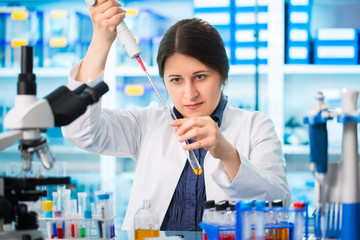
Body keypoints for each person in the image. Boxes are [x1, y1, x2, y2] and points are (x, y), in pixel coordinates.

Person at [62, 0, 290, 231]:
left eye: (200, 76)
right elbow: (80, 131)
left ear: (223, 75)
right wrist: (101, 40)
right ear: (164, 81)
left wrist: (229, 154)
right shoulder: (146, 123)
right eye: (176, 80)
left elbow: (280, 204)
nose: (189, 93)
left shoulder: (256, 127)